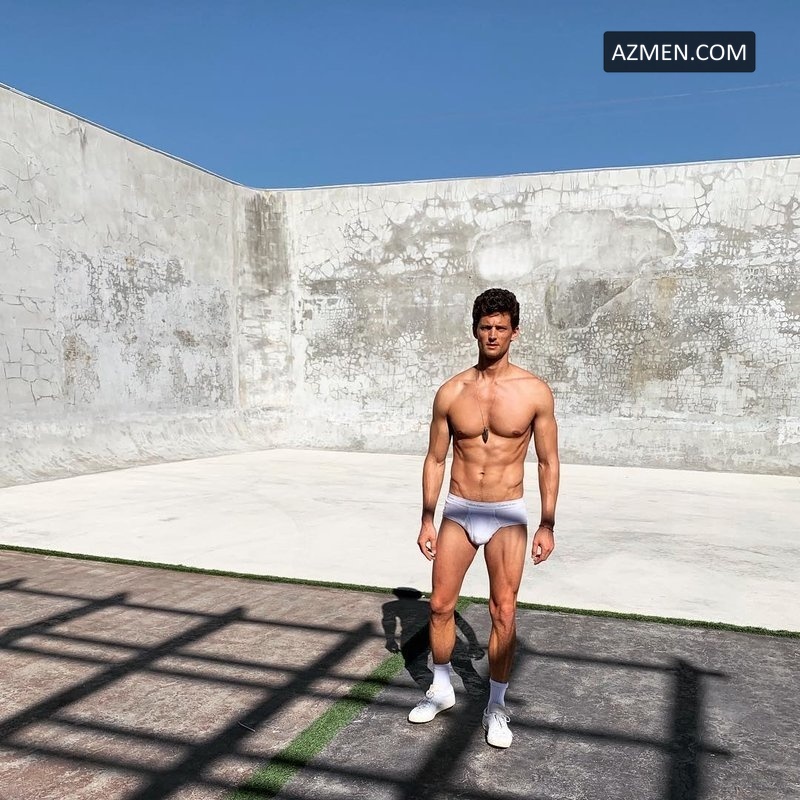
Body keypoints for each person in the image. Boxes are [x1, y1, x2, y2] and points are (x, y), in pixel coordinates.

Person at [408, 287, 560, 749]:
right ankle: (440, 688)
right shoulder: (451, 392)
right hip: (459, 508)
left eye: (501, 327)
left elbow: (548, 461)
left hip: (506, 512)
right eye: (485, 327)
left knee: (504, 611)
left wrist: (547, 523)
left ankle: (496, 706)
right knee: (440, 605)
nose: (493, 335)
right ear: (475, 330)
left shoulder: (534, 392)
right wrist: (427, 517)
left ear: (515, 332)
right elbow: (436, 458)